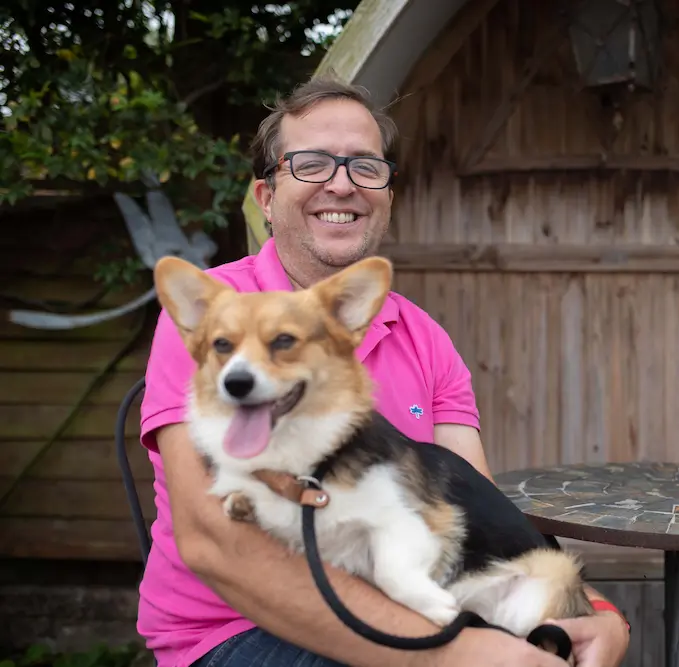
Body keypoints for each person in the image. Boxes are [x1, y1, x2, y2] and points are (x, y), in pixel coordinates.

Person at [137, 75, 631, 667]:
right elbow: (214, 543)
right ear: (266, 197)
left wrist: (597, 612)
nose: (342, 184)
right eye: (312, 163)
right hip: (240, 630)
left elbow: (475, 506)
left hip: (413, 606)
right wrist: (450, 654)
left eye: (366, 167)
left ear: (387, 196)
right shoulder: (217, 319)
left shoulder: (424, 337)